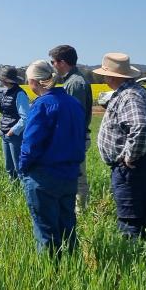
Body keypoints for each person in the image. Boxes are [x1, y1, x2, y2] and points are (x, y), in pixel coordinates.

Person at [19, 60, 85, 255]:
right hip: (70, 174)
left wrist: (23, 168)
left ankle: (50, 277)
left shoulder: (42, 105)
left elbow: (30, 144)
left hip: (43, 176)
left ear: (35, 82)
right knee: (68, 229)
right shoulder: (73, 103)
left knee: (46, 232)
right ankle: (73, 268)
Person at [94, 52, 146, 239]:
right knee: (144, 217)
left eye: (105, 73)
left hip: (132, 168)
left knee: (131, 220)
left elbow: (140, 125)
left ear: (111, 76)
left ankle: (136, 261)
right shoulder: (128, 92)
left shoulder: (130, 95)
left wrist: (129, 156)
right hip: (136, 165)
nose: (104, 77)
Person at [49, 44, 93, 212]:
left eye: (53, 62)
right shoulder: (70, 81)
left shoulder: (75, 84)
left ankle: (81, 212)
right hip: (72, 138)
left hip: (74, 139)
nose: (52, 65)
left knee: (78, 177)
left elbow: (74, 117)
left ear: (62, 62)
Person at [0, 66, 29, 181]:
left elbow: (25, 117)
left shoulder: (20, 94)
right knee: (9, 167)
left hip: (15, 135)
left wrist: (12, 131)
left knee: (19, 166)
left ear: (6, 80)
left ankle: (24, 191)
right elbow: (5, 113)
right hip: (5, 133)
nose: (0, 80)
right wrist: (2, 129)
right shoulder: (5, 92)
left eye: (1, 78)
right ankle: (13, 187)